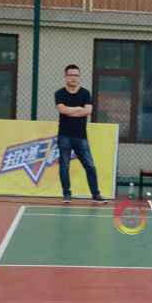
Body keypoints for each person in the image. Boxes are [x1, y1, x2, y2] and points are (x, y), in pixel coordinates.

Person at [55, 64, 107, 204]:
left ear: (79, 77)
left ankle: (95, 194)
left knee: (90, 166)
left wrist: (70, 111)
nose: (74, 78)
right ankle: (66, 194)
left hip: (81, 136)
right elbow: (62, 110)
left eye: (76, 75)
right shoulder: (60, 93)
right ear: (65, 76)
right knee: (64, 166)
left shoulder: (85, 93)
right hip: (64, 136)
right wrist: (78, 108)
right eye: (71, 75)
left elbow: (88, 111)